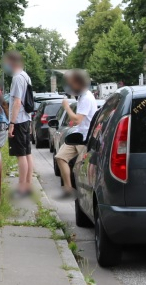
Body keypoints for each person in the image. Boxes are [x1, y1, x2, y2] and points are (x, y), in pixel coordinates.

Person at [55, 69, 98, 198]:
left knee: (81, 168)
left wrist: (67, 107)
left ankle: (83, 193)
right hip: (79, 134)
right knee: (60, 157)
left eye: (72, 83)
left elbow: (77, 119)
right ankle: (68, 189)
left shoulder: (86, 98)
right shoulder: (82, 96)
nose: (70, 86)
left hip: (84, 138)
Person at [4, 50, 35, 196]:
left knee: (21, 154)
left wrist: (11, 123)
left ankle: (22, 187)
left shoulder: (17, 78)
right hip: (26, 119)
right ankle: (28, 184)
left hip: (19, 120)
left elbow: (17, 102)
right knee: (27, 153)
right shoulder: (25, 76)